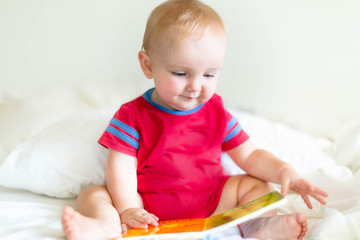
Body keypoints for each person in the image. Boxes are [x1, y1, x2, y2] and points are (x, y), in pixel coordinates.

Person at [62, 0, 328, 239]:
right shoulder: (132, 115)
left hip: (213, 203)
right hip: (147, 208)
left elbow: (250, 156)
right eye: (181, 73)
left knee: (256, 184)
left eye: (209, 75)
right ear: (147, 65)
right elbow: (120, 169)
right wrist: (129, 208)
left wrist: (284, 172)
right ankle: (104, 227)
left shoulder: (217, 112)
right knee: (93, 194)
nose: (195, 86)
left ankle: (258, 227)